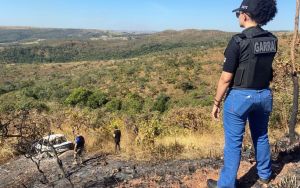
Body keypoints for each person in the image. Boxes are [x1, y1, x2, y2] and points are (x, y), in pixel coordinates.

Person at [207, 0, 278, 187]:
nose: (238, 16)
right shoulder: (272, 39)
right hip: (263, 95)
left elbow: (225, 79)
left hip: (239, 97)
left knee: (233, 143)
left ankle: (226, 184)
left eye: (238, 13)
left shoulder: (238, 41)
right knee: (261, 135)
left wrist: (216, 103)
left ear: (245, 15)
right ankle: (265, 174)